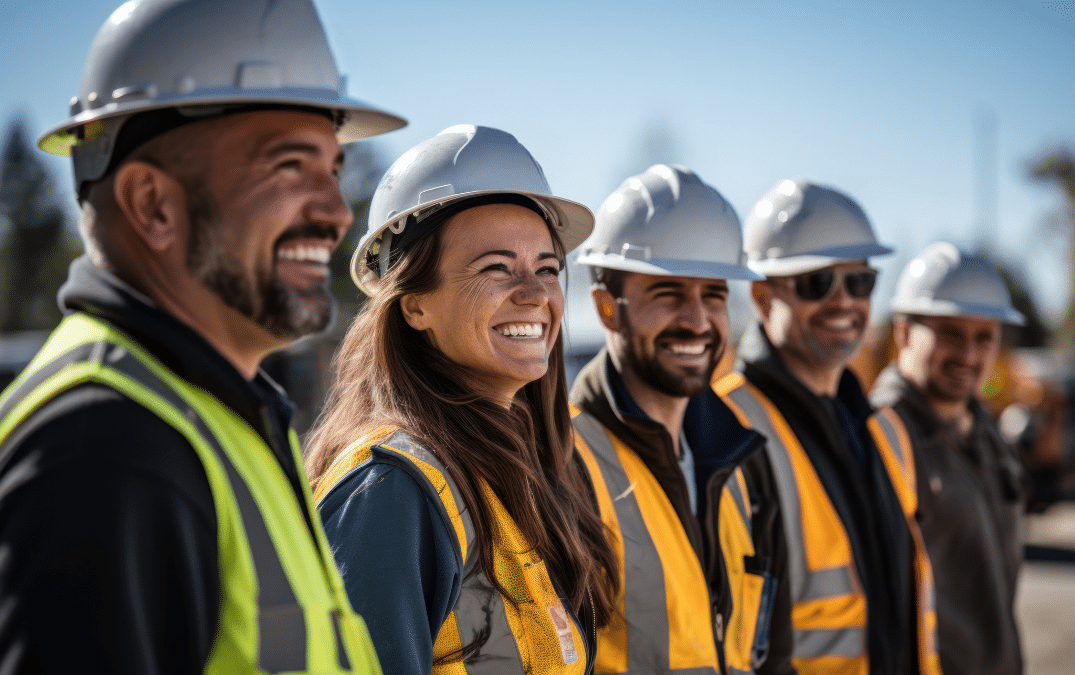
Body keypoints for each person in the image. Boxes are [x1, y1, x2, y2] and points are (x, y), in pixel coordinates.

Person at [0, 0, 405, 672]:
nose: (337, 214)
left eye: (333, 170)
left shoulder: (220, 417)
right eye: (288, 167)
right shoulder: (105, 448)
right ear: (153, 205)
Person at [303, 125, 619, 675]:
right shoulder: (392, 490)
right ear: (415, 306)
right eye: (496, 268)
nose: (535, 293)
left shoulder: (516, 473)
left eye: (547, 269)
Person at [569, 164, 795, 675]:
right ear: (608, 309)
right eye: (668, 294)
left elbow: (773, 657)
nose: (697, 320)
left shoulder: (745, 461)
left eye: (714, 295)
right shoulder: (561, 464)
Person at [713, 179, 941, 675]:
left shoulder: (884, 432)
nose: (844, 302)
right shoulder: (725, 427)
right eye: (817, 283)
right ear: (761, 296)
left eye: (859, 282)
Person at [870, 242, 1026, 675]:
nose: (969, 354)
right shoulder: (880, 438)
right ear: (903, 333)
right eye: (951, 333)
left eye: (984, 337)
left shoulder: (985, 429)